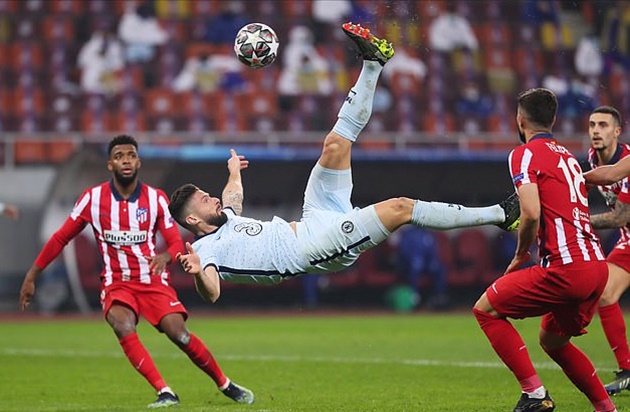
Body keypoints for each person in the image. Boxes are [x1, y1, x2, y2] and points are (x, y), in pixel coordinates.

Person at [169, 22, 520, 304]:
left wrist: (233, 174)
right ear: (192, 220)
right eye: (203, 199)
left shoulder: (225, 218)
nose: (211, 198)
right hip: (315, 250)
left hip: (312, 219)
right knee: (400, 207)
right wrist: (198, 271)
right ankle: (499, 215)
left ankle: (373, 63)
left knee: (334, 145)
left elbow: (231, 200)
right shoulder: (204, 250)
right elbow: (212, 292)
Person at [19, 135, 254, 408]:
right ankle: (165, 391)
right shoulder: (92, 199)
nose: (126, 160)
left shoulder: (156, 199)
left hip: (152, 281)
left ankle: (225, 383)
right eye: (119, 156)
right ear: (110, 164)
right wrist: (32, 275)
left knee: (179, 333)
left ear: (138, 161)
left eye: (131, 155)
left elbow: (175, 240)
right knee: (122, 324)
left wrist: (167, 255)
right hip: (116, 283)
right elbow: (61, 237)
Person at [473, 88, 617, 412]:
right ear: (553, 120)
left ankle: (535, 395)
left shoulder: (523, 154)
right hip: (597, 266)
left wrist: (521, 253)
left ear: (519, 119)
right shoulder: (568, 156)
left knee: (486, 310)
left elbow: (531, 212)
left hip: (567, 268)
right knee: (553, 340)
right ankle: (607, 409)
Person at [583, 106, 630, 395]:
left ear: (617, 131)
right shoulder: (592, 158)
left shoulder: (626, 164)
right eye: (591, 124)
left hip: (626, 227)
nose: (596, 130)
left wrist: (573, 220)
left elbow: (620, 216)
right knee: (605, 294)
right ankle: (627, 369)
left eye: (603, 125)